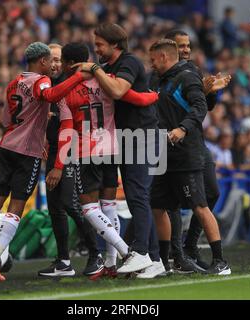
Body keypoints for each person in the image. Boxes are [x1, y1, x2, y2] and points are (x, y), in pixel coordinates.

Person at [0, 42, 91, 281]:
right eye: (49, 60)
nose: (52, 65)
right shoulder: (41, 80)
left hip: (6, 146)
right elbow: (50, 94)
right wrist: (78, 78)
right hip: (27, 151)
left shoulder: (13, 82)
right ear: (42, 61)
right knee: (16, 207)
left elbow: (5, 119)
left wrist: (39, 115)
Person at [49, 42, 159, 279]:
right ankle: (110, 264)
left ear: (69, 64)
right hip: (111, 148)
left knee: (89, 208)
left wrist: (58, 165)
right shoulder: (106, 79)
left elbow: (66, 130)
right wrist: (153, 97)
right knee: (108, 206)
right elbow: (135, 99)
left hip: (86, 151)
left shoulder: (65, 91)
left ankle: (126, 253)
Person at [77, 23, 163, 278]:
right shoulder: (110, 67)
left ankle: (140, 252)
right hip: (126, 138)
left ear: (115, 44)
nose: (96, 49)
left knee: (137, 196)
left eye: (100, 44)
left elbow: (116, 90)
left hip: (142, 135)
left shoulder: (129, 62)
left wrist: (94, 69)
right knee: (138, 197)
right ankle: (155, 260)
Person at [148, 39, 231, 275]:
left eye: (153, 59)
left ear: (164, 57)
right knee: (158, 207)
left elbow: (200, 107)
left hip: (186, 154)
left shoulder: (186, 77)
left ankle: (220, 261)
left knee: (200, 206)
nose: (151, 63)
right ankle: (163, 263)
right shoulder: (156, 80)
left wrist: (182, 129)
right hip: (163, 156)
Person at [39, 43, 104, 277]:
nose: (56, 64)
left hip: (73, 149)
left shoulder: (71, 84)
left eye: (59, 59)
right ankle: (63, 261)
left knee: (71, 203)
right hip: (56, 148)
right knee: (55, 207)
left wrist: (58, 164)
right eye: (52, 59)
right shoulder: (45, 86)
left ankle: (96, 254)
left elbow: (68, 126)